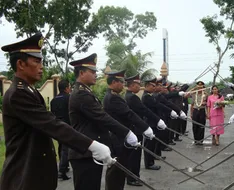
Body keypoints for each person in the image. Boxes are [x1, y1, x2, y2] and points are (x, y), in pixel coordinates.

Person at [0, 33, 114, 190]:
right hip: (24, 174)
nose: (42, 67)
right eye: (37, 61)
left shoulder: (29, 90)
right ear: (20, 64)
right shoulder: (18, 94)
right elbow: (51, 124)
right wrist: (91, 145)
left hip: (34, 172)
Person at [68, 54, 138, 190]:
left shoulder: (86, 92)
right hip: (84, 152)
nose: (96, 75)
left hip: (90, 150)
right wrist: (127, 133)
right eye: (92, 72)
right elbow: (102, 117)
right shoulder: (81, 94)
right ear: (81, 73)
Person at [103, 70, 155, 190]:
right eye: (121, 82)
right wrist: (145, 127)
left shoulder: (114, 96)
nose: (123, 85)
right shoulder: (112, 98)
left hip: (121, 136)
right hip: (118, 138)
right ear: (114, 82)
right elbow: (129, 114)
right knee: (116, 171)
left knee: (119, 171)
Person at [124, 73, 167, 186]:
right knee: (134, 156)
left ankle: (134, 176)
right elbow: (143, 111)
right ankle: (132, 178)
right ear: (132, 85)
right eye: (138, 84)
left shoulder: (130, 96)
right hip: (135, 129)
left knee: (135, 155)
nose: (139, 87)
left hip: (136, 128)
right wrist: (152, 123)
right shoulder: (132, 97)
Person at [142, 77, 176, 169]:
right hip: (150, 123)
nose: (154, 87)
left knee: (152, 143)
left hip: (154, 122)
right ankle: (149, 163)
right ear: (147, 86)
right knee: (149, 145)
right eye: (153, 86)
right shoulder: (146, 97)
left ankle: (151, 160)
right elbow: (157, 106)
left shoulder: (150, 95)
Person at [50, 79, 72, 180]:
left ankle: (65, 166)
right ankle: (62, 170)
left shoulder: (53, 100)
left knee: (61, 147)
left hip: (57, 126)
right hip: (67, 126)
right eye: (70, 86)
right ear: (67, 88)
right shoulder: (69, 98)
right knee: (65, 149)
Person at [190, 81, 208, 145]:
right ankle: (196, 140)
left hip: (202, 110)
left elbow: (208, 104)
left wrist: (205, 104)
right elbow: (191, 104)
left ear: (203, 86)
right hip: (195, 110)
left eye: (201, 85)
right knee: (194, 126)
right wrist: (191, 113)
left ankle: (200, 140)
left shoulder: (205, 94)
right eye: (198, 85)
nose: (200, 86)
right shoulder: (194, 94)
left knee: (201, 126)